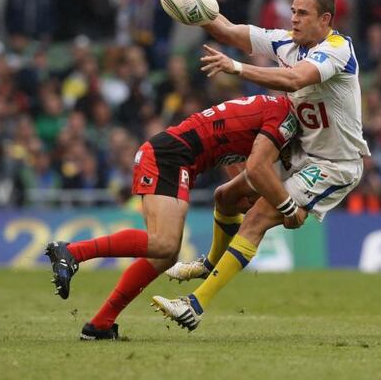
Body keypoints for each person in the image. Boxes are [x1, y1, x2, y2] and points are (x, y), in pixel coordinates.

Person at [140, 0, 369, 331]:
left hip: (333, 163)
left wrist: (237, 68)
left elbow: (295, 80)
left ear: (325, 18)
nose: (293, 18)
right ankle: (210, 262)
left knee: (259, 217)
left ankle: (195, 305)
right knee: (225, 197)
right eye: (292, 11)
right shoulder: (285, 42)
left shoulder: (338, 49)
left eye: (302, 13)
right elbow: (225, 29)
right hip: (298, 153)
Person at [44, 94, 306, 340]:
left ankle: (100, 325)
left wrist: (246, 195)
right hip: (168, 157)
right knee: (164, 243)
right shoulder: (282, 117)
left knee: (164, 255)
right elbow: (254, 168)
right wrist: (285, 206)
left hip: (175, 157)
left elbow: (235, 160)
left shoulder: (265, 114)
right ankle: (72, 252)